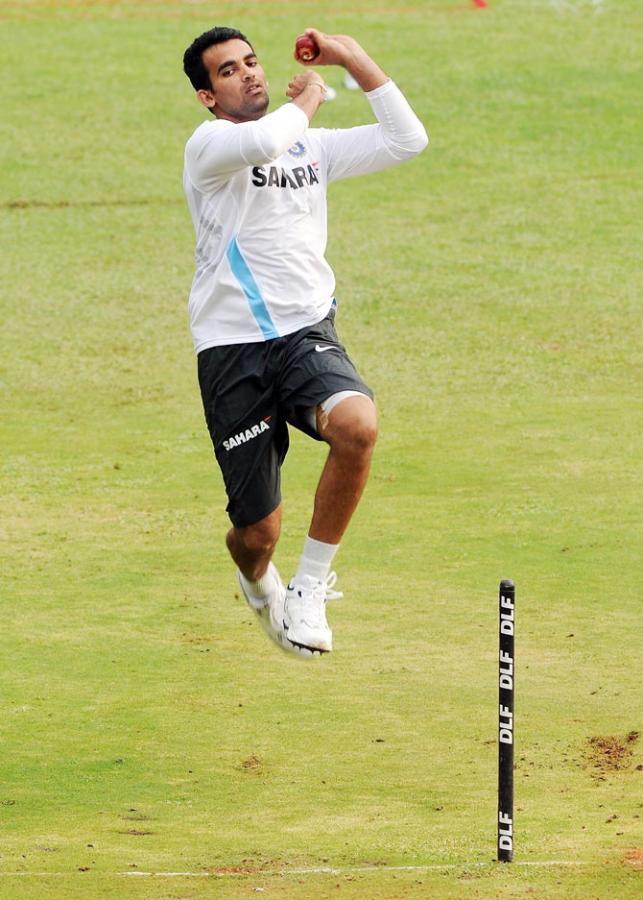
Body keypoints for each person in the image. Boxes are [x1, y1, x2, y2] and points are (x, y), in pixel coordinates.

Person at [182, 26, 428, 658]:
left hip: (305, 334)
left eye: (252, 62)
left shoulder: (309, 147)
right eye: (230, 71)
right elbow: (267, 138)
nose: (250, 74)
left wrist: (350, 57)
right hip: (232, 349)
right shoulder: (210, 144)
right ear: (208, 96)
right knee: (258, 533)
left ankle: (311, 586)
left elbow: (408, 140)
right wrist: (315, 91)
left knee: (358, 427)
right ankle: (260, 583)